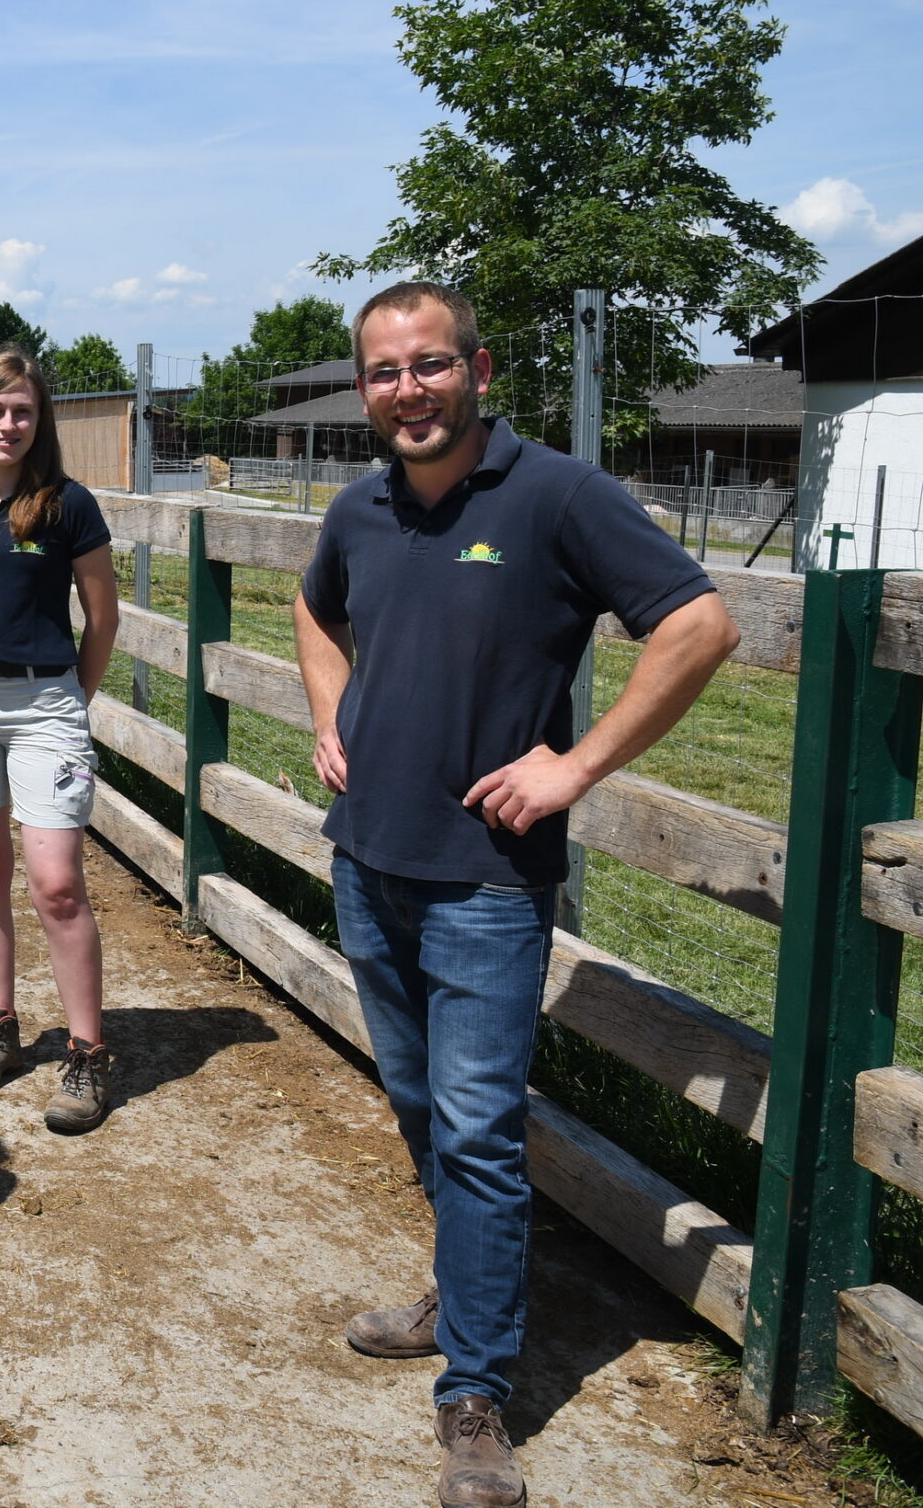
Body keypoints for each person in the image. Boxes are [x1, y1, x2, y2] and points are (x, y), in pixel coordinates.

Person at [294, 281, 739, 1508]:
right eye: (384, 372)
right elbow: (312, 606)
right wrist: (331, 717)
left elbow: (699, 626)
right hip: (367, 857)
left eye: (429, 365)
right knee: (418, 1101)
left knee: (481, 1126)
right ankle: (464, 1292)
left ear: (478, 370)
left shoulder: (558, 496)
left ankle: (476, 1389)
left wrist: (576, 766)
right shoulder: (360, 506)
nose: (406, 391)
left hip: (487, 883)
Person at [0, 350, 120, 1131]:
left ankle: (86, 1054)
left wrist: (70, 699)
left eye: (24, 411)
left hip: (45, 703)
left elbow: (102, 619)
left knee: (56, 881)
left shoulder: (68, 506)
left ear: (41, 422)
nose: (9, 424)